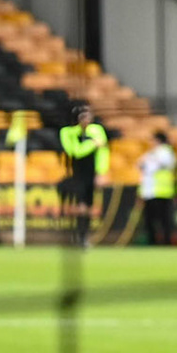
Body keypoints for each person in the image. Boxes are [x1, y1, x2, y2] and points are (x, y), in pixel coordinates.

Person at [58, 103, 108, 246]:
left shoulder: (97, 130)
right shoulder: (67, 132)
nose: (87, 119)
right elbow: (75, 151)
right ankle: (77, 236)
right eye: (84, 116)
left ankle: (84, 236)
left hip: (91, 172)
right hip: (75, 173)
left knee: (88, 206)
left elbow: (103, 151)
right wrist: (92, 144)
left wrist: (101, 172)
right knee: (79, 205)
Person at [138, 129, 176, 247]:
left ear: (158, 140)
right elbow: (139, 164)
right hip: (150, 191)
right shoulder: (151, 153)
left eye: (152, 140)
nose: (150, 142)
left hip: (162, 191)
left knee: (163, 219)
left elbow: (153, 166)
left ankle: (166, 242)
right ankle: (152, 242)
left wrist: (147, 162)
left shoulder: (165, 152)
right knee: (150, 219)